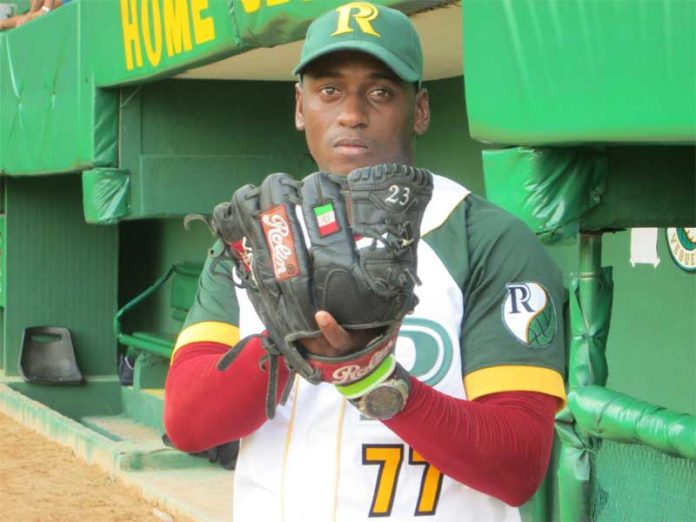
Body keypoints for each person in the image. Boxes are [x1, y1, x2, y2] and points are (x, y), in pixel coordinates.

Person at [164, 3, 566, 521]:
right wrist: (289, 345)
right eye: (329, 90)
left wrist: (371, 378)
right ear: (299, 106)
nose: (352, 113)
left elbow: (518, 466)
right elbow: (186, 423)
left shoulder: (487, 240)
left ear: (419, 109)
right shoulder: (258, 238)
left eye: (380, 92)